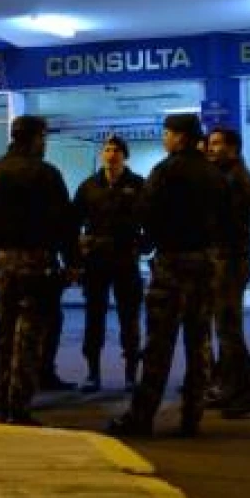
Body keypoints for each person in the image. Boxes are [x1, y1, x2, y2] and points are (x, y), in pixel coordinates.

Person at [108, 114, 227, 438]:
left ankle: (142, 416)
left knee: (159, 345)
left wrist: (149, 241)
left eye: (167, 134)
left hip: (172, 263)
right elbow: (225, 218)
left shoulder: (165, 171)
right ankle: (192, 416)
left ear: (180, 137)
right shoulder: (214, 173)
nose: (164, 139)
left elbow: (144, 212)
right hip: (205, 262)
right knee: (199, 342)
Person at [0, 115, 75, 425]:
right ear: (35, 138)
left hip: (4, 262)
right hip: (37, 263)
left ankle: (2, 398)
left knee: (4, 331)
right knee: (30, 334)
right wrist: (72, 261)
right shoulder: (47, 174)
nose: (44, 144)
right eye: (43, 138)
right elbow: (64, 223)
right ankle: (19, 405)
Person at [74, 135, 146, 393]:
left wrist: (144, 246)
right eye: (107, 150)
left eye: (116, 150)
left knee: (130, 317)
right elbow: (73, 220)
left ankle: (131, 375)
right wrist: (78, 253)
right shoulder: (89, 186)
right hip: (96, 260)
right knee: (94, 317)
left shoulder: (138, 185)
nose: (111, 154)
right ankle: (93, 373)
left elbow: (152, 218)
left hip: (125, 259)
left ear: (125, 155)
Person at [205, 126, 250, 418]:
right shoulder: (226, 175)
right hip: (226, 257)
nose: (210, 148)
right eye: (210, 143)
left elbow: (224, 221)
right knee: (225, 329)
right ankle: (229, 389)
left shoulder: (235, 179)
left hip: (230, 259)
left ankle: (248, 393)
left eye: (217, 143)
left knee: (229, 330)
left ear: (233, 148)